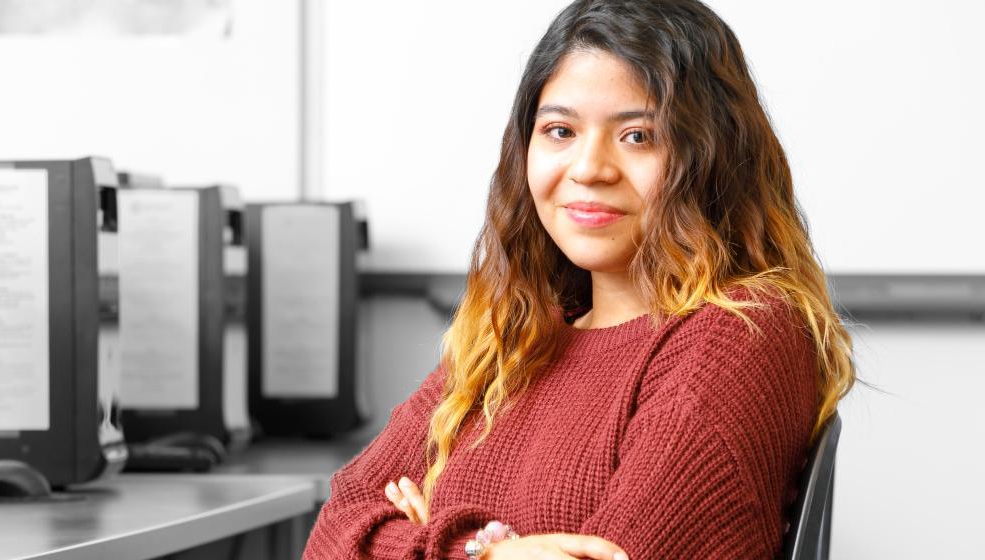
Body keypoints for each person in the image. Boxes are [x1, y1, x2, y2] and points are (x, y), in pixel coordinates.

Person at [303, 0, 855, 558]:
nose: (589, 167)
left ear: (713, 156)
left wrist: (419, 533)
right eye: (560, 130)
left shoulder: (741, 334)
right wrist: (487, 552)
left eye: (639, 136)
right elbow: (332, 533)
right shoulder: (508, 340)